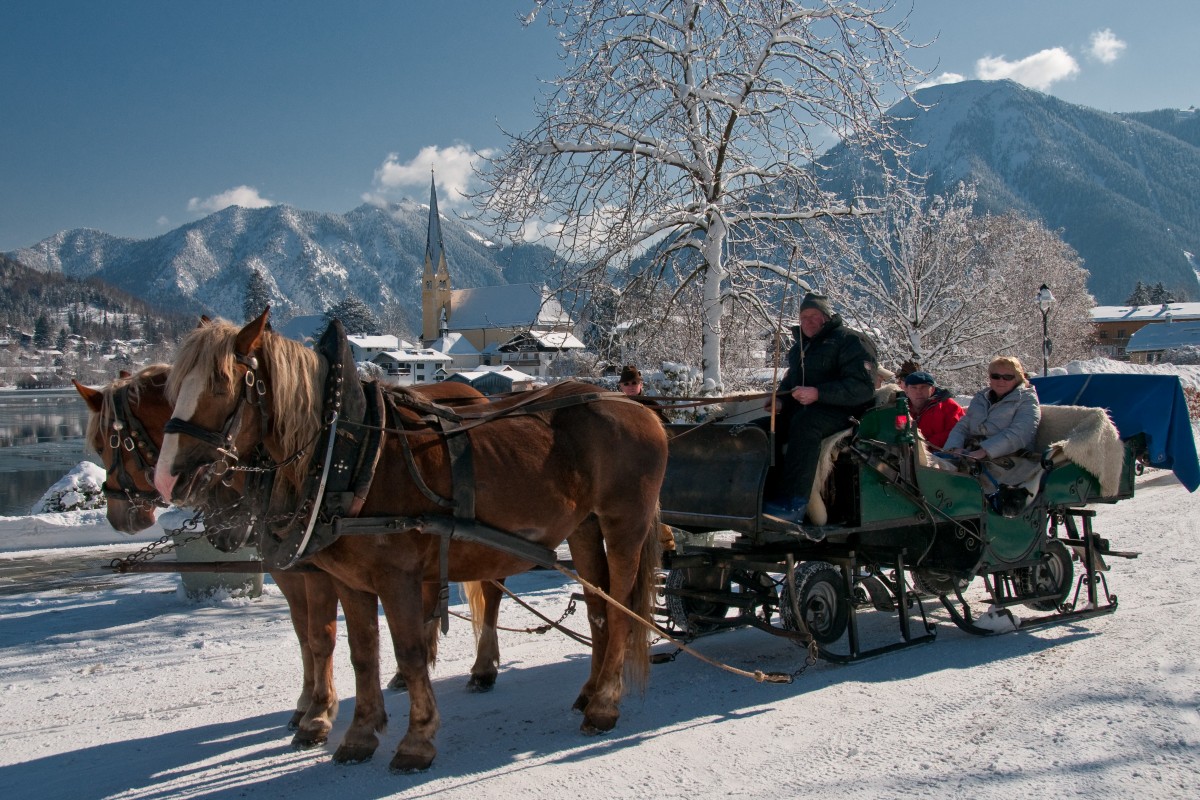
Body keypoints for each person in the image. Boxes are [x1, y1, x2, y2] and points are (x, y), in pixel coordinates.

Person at [764, 293, 878, 524]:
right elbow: (790, 384)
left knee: (806, 424)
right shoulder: (799, 350)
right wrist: (780, 401)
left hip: (847, 413)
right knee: (760, 430)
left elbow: (862, 387)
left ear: (826, 317)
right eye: (803, 316)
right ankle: (762, 495)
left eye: (813, 315)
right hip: (805, 412)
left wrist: (819, 393)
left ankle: (794, 503)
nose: (807, 321)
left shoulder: (851, 341)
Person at [943, 356, 1041, 460]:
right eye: (996, 376)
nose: (1001, 381)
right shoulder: (981, 398)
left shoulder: (1027, 399)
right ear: (990, 378)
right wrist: (954, 447)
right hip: (972, 453)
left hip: (1009, 457)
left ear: (1017, 378)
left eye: (1007, 377)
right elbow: (963, 426)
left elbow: (1021, 433)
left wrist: (985, 451)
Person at [902, 370, 965, 449]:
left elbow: (958, 430)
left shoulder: (947, 406)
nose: (919, 391)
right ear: (906, 390)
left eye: (923, 387)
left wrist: (926, 445)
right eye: (914, 388)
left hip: (940, 455)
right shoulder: (899, 408)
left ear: (932, 390)